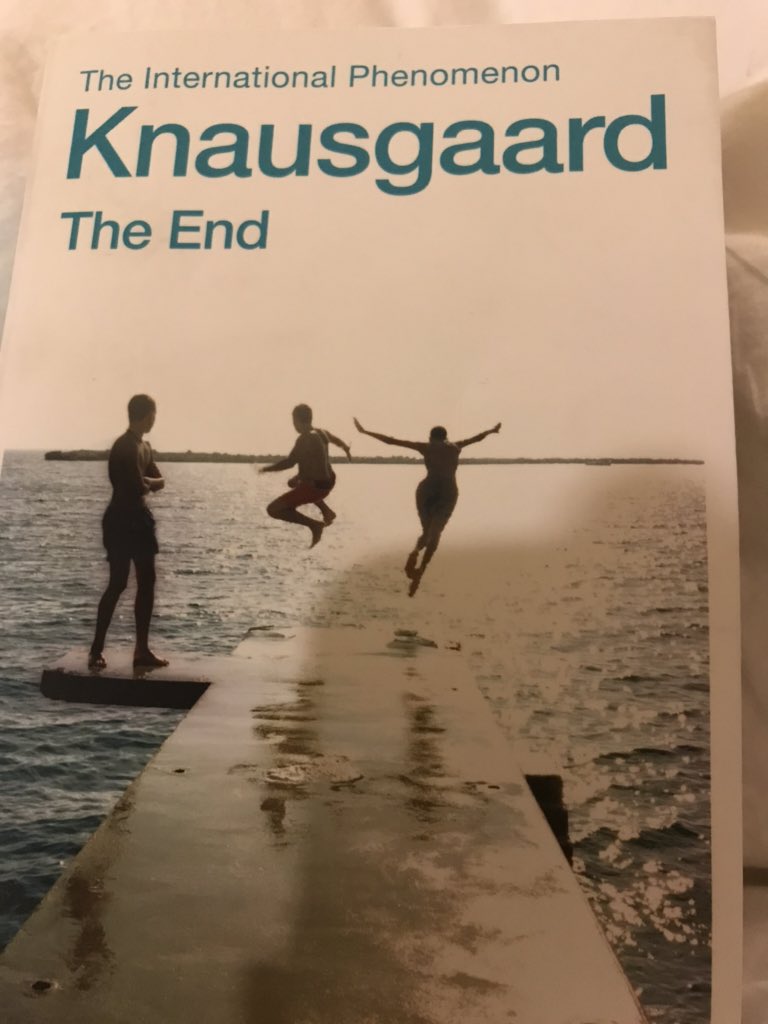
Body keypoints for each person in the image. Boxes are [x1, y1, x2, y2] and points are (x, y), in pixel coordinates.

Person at [353, 417, 501, 595]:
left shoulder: (426, 447)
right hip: (447, 492)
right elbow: (477, 438)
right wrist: (491, 431)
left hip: (427, 490)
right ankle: (421, 568)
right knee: (435, 533)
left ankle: (416, 551)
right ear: (445, 437)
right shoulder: (455, 447)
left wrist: (365, 431)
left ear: (431, 437)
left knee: (427, 532)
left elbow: (391, 441)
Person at [88, 394, 168, 670]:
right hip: (121, 521)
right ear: (147, 415)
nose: (155, 420)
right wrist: (149, 482)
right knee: (118, 582)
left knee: (147, 581)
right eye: (154, 415)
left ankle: (141, 650)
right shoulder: (125, 446)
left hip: (140, 520)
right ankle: (96, 650)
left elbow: (158, 480)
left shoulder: (144, 446)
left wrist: (149, 482)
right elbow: (138, 485)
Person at [260, 404, 351, 547]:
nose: (294, 425)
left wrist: (266, 469)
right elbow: (337, 441)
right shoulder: (322, 432)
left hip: (316, 488)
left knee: (273, 509)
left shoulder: (305, 438)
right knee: (293, 482)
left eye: (294, 421)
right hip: (330, 480)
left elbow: (290, 462)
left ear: (296, 420)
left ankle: (315, 525)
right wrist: (346, 448)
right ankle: (326, 511)